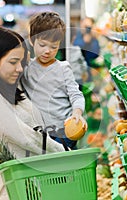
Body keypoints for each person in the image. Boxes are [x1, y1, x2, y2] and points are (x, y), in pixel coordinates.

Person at [0, 26, 66, 200]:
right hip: (13, 192)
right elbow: (23, 135)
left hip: (40, 188)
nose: (19, 68)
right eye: (13, 62)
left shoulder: (13, 89)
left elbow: (37, 124)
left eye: (22, 63)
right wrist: (64, 153)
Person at [21, 11, 87, 150]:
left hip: (64, 132)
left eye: (54, 46)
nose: (47, 51)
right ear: (32, 40)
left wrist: (77, 113)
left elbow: (76, 94)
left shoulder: (63, 68)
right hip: (40, 133)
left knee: (65, 166)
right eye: (43, 45)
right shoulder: (26, 68)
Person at [73, 17, 100, 81]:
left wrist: (94, 38)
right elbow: (73, 48)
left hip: (88, 70)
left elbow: (95, 54)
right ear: (81, 24)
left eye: (89, 27)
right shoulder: (76, 35)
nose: (87, 29)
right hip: (76, 71)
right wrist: (83, 42)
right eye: (85, 26)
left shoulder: (93, 39)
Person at [69, 26, 88, 91]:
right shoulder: (76, 50)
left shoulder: (61, 51)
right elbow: (83, 64)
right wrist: (84, 72)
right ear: (74, 37)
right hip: (77, 79)